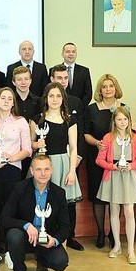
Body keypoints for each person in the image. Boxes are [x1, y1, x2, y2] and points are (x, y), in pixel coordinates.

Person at [1, 155, 70, 271]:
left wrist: (54, 241)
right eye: (38, 169)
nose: (43, 173)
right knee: (14, 235)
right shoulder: (20, 188)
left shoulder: (59, 193)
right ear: (32, 171)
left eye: (46, 169)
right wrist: (26, 225)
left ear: (51, 170)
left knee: (61, 262)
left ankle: (42, 262)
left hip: (46, 239)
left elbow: (66, 227)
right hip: (25, 238)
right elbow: (4, 219)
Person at [0, 87, 31, 271]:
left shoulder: (20, 122)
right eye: (3, 98)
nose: (6, 101)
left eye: (10, 98)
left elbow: (28, 150)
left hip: (13, 171)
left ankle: (10, 252)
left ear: (13, 102)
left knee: (10, 213)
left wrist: (12, 157)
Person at [30, 83, 82, 252]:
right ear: (46, 98)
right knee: (41, 204)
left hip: (62, 165)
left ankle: (61, 245)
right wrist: (37, 144)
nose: (54, 99)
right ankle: (39, 245)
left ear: (63, 98)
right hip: (42, 165)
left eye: (58, 96)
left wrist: (72, 170)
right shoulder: (36, 119)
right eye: (51, 96)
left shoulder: (69, 120)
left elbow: (73, 147)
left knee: (62, 207)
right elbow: (30, 144)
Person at [95, 107, 136, 263]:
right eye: (119, 119)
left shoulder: (134, 138)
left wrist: (131, 166)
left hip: (128, 176)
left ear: (129, 120)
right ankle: (116, 245)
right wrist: (112, 166)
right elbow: (99, 159)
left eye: (125, 119)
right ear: (114, 121)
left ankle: (131, 249)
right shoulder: (108, 137)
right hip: (113, 176)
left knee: (129, 211)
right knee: (114, 211)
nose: (122, 122)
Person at [84, 73, 125, 249]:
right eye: (104, 86)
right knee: (98, 197)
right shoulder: (91, 109)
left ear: (116, 88)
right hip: (97, 159)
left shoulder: (123, 108)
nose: (108, 89)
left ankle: (113, 233)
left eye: (111, 86)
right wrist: (97, 143)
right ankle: (101, 233)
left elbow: (128, 131)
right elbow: (85, 134)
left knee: (117, 196)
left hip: (118, 160)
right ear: (100, 90)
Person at [48, 65, 86, 250]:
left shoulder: (76, 102)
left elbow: (79, 134)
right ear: (52, 79)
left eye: (65, 78)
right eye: (59, 78)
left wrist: (77, 157)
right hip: (47, 162)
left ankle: (69, 236)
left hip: (69, 161)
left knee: (68, 202)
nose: (62, 81)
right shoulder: (44, 107)